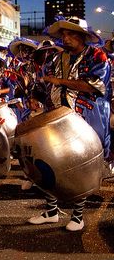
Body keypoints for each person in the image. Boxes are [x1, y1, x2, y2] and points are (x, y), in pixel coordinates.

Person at [28, 17, 111, 231]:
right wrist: (35, 95)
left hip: (87, 117)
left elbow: (95, 86)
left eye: (71, 34)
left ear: (82, 36)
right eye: (63, 34)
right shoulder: (56, 58)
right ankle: (52, 211)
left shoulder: (97, 56)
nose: (65, 38)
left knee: (79, 163)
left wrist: (60, 82)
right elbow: (43, 81)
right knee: (50, 159)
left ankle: (78, 216)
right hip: (55, 116)